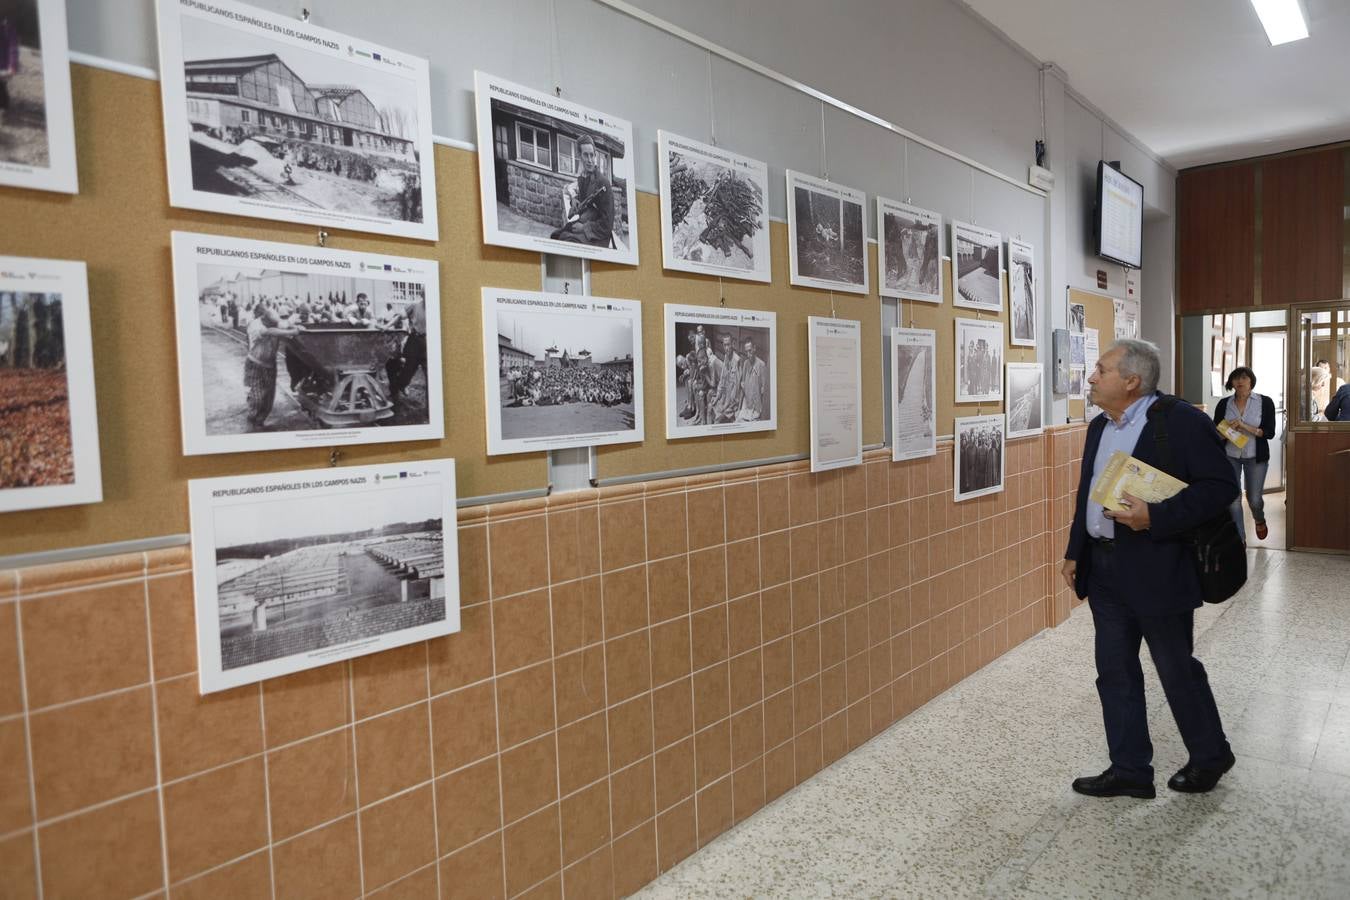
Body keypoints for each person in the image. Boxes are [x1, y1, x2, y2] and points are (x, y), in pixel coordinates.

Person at [1061, 339, 1239, 799]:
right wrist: (1075, 550)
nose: (1093, 376)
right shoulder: (1100, 426)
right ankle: (1130, 770)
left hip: (1160, 567)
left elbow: (1220, 486)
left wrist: (1155, 517)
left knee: (1175, 667)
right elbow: (1088, 493)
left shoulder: (1179, 422)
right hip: (1104, 569)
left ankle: (1210, 755)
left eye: (1102, 369)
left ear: (1132, 381)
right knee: (1114, 671)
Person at [1213, 366, 1276, 542]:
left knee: (1254, 499)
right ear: (1231, 382)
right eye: (1236, 378)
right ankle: (1240, 540)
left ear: (1251, 381)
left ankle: (1259, 518)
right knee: (1233, 499)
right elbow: (1215, 433)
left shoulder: (1265, 402)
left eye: (1244, 378)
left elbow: (1269, 432)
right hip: (1230, 455)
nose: (1240, 382)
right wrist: (1227, 430)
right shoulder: (1224, 404)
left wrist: (1245, 426)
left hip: (1256, 456)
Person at [549, 134, 613, 246]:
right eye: (586, 155)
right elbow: (582, 198)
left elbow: (607, 225)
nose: (590, 160)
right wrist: (574, 201)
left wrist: (584, 228)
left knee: (565, 241)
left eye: (592, 155)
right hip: (587, 221)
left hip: (598, 236)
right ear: (580, 156)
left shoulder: (603, 183)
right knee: (556, 235)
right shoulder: (583, 178)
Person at [243, 305, 299, 431]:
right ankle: (251, 421)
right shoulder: (255, 325)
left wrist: (295, 325)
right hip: (255, 364)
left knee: (268, 397)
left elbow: (284, 324)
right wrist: (292, 331)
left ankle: (259, 421)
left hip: (270, 365)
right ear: (263, 318)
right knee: (257, 396)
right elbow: (270, 332)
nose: (274, 324)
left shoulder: (273, 322)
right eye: (271, 322)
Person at [384, 296, 428, 402]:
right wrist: (387, 326)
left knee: (430, 373)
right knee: (407, 371)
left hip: (429, 341)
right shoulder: (414, 305)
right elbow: (399, 316)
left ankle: (431, 406)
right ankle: (399, 387)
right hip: (415, 341)